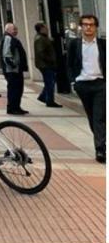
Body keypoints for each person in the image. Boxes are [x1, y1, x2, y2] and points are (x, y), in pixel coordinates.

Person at [67, 15, 105, 163]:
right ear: (81, 27)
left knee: (99, 117)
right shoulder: (74, 45)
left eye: (91, 25)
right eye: (85, 25)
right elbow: (69, 64)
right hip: (82, 84)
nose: (88, 27)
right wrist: (73, 81)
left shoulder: (103, 44)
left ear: (96, 27)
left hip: (100, 84)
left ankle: (100, 149)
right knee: (91, 117)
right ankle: (101, 140)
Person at [0, 22, 29, 115]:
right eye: (14, 29)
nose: (16, 31)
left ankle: (16, 107)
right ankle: (13, 108)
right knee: (14, 89)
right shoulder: (8, 39)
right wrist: (14, 65)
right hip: (12, 71)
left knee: (18, 89)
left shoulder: (12, 38)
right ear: (8, 30)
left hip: (15, 70)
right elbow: (6, 55)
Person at [33, 23, 61, 108]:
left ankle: (43, 96)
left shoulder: (43, 37)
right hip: (45, 65)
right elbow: (41, 52)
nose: (47, 29)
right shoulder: (40, 39)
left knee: (50, 81)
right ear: (41, 29)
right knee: (50, 82)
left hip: (46, 64)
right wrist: (50, 60)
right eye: (45, 27)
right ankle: (49, 100)